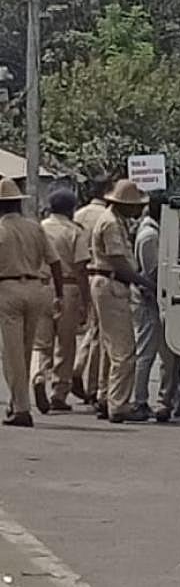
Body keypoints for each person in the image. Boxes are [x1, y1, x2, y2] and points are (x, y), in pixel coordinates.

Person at [0, 177, 63, 427]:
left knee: (11, 352)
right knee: (25, 350)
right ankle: (18, 403)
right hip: (36, 288)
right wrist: (59, 294)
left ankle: (21, 408)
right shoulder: (35, 227)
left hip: (7, 288)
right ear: (18, 203)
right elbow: (55, 262)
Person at [89, 178, 152, 423]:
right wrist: (144, 282)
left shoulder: (114, 220)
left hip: (108, 283)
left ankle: (105, 397)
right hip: (112, 283)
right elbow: (118, 262)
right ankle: (118, 404)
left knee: (109, 348)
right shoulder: (111, 223)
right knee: (124, 351)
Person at [31, 187, 90, 414]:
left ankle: (38, 376)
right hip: (68, 287)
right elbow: (81, 268)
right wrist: (86, 301)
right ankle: (59, 391)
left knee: (41, 343)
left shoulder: (39, 229)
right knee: (65, 344)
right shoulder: (74, 232)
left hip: (41, 286)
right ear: (71, 209)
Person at [131, 193, 176, 420]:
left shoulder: (159, 232)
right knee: (146, 353)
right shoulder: (149, 235)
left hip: (161, 299)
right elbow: (153, 272)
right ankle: (140, 401)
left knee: (171, 355)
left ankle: (164, 401)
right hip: (150, 300)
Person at [72, 174, 111, 404]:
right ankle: (93, 383)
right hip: (101, 273)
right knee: (98, 332)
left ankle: (77, 369)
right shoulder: (107, 216)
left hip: (79, 273)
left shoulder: (80, 215)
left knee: (90, 329)